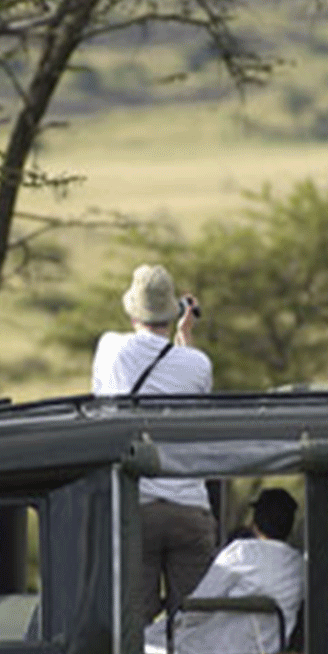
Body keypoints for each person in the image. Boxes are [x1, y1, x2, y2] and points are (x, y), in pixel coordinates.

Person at [92, 263, 216, 623]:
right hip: (189, 508)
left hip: (135, 505)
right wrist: (185, 336)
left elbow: (102, 403)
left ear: (133, 311)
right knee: (194, 624)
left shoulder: (109, 348)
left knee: (136, 625)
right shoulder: (198, 363)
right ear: (174, 312)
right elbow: (192, 399)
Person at [144, 488, 304, 654]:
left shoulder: (241, 552)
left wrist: (157, 629)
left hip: (216, 653)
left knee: (148, 644)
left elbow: (198, 606)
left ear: (255, 523)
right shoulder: (298, 565)